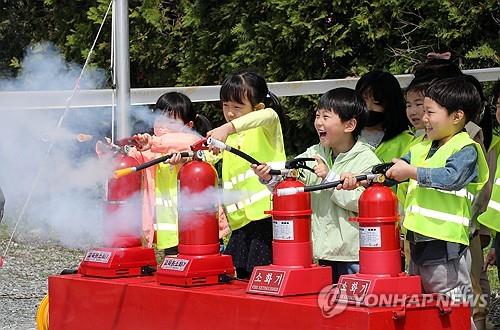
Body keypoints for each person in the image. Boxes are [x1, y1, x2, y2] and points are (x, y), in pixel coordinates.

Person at [385, 76, 489, 330]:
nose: (424, 117)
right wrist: (363, 177)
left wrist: (411, 172)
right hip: (418, 242)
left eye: (430, 112)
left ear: (456, 117)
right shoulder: (421, 147)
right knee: (425, 306)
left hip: (446, 246)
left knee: (453, 308)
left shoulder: (466, 148)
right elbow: (394, 169)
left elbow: (451, 178)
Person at [253, 87, 380, 283]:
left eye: (326, 117)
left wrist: (329, 178)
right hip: (320, 254)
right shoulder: (314, 152)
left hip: (352, 256)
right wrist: (270, 176)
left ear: (350, 125)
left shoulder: (366, 159)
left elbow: (364, 203)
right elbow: (292, 181)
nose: (319, 122)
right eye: (318, 115)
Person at [206, 70, 287, 279]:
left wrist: (227, 128)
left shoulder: (267, 125)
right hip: (240, 224)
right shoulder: (229, 137)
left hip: (266, 219)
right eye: (226, 105)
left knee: (262, 279)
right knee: (239, 280)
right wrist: (184, 157)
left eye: (237, 107)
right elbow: (205, 157)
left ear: (258, 107)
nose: (230, 112)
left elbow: (268, 115)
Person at [130, 92, 223, 254]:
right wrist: (112, 151)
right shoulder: (151, 148)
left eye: (170, 121)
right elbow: (131, 158)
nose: (161, 124)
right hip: (169, 228)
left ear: (189, 126)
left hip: (198, 225)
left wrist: (154, 143)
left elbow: (190, 145)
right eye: (158, 118)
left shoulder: (193, 143)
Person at [355, 70, 413, 163]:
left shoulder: (407, 141)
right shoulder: (344, 134)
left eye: (377, 102)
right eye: (364, 99)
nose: (369, 107)